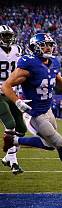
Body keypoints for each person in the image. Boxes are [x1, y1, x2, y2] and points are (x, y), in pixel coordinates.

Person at [2, 33, 62, 185]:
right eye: (44, 45)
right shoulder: (29, 64)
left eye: (50, 44)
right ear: (35, 47)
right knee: (60, 143)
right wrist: (18, 102)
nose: (49, 47)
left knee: (49, 145)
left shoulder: (54, 63)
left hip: (48, 111)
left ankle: (13, 140)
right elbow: (6, 85)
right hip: (34, 114)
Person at [0, 25, 25, 174]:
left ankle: (7, 158)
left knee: (21, 128)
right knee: (10, 123)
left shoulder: (18, 50)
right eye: (4, 35)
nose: (8, 38)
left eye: (9, 35)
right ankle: (13, 161)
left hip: (12, 92)